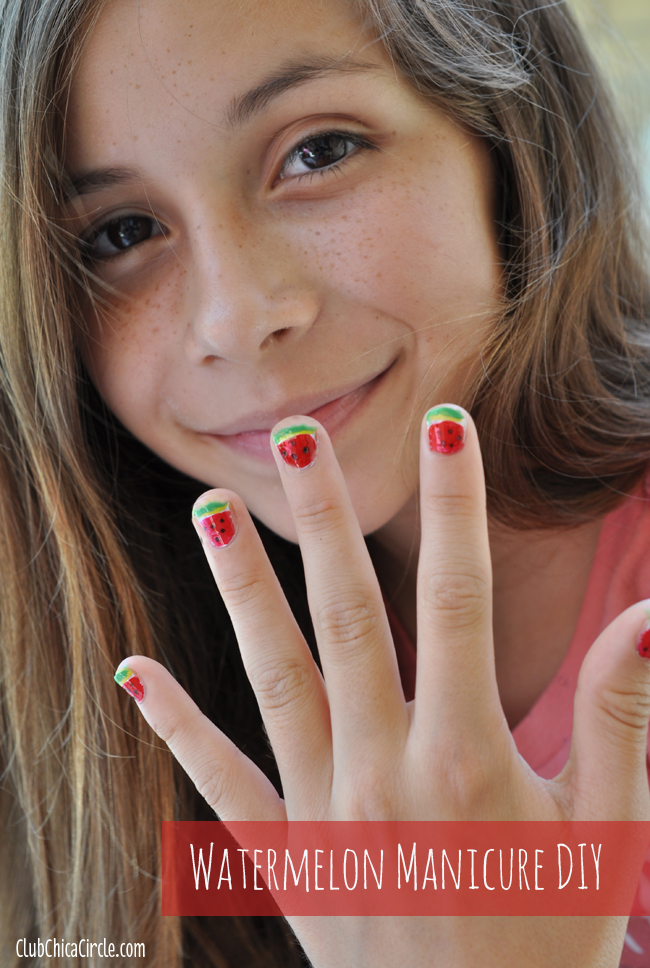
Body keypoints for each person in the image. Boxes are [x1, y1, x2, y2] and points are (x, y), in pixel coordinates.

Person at [1, 0, 650, 964]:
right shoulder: (106, 668)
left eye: (318, 152)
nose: (234, 317)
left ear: (509, 143)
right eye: (122, 231)